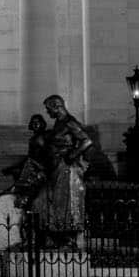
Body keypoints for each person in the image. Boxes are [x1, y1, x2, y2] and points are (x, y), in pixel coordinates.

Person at [35, 94, 92, 246]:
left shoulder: (69, 122)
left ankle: (67, 237)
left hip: (65, 168)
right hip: (56, 166)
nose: (47, 112)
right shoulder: (59, 123)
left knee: (64, 201)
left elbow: (87, 141)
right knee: (56, 201)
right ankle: (59, 235)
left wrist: (72, 155)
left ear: (56, 106)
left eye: (48, 109)